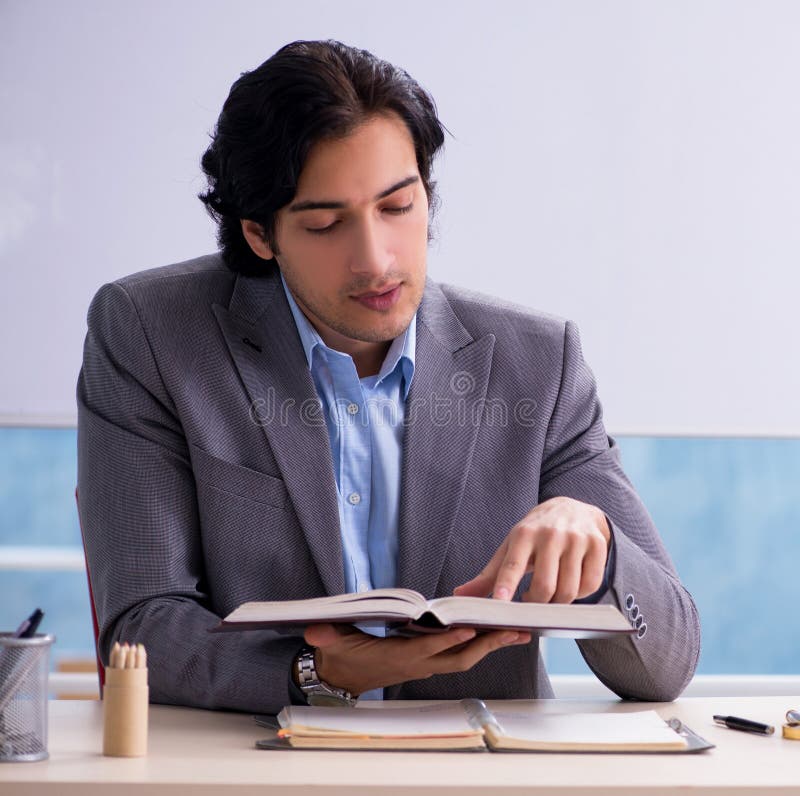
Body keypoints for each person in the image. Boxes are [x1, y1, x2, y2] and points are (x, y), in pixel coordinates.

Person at [77, 40, 700, 713]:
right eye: (325, 224)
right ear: (261, 235)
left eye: (398, 208)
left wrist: (600, 550)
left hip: (475, 774)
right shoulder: (150, 333)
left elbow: (666, 666)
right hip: (261, 770)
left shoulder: (538, 362)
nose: (375, 260)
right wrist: (313, 671)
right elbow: (140, 632)